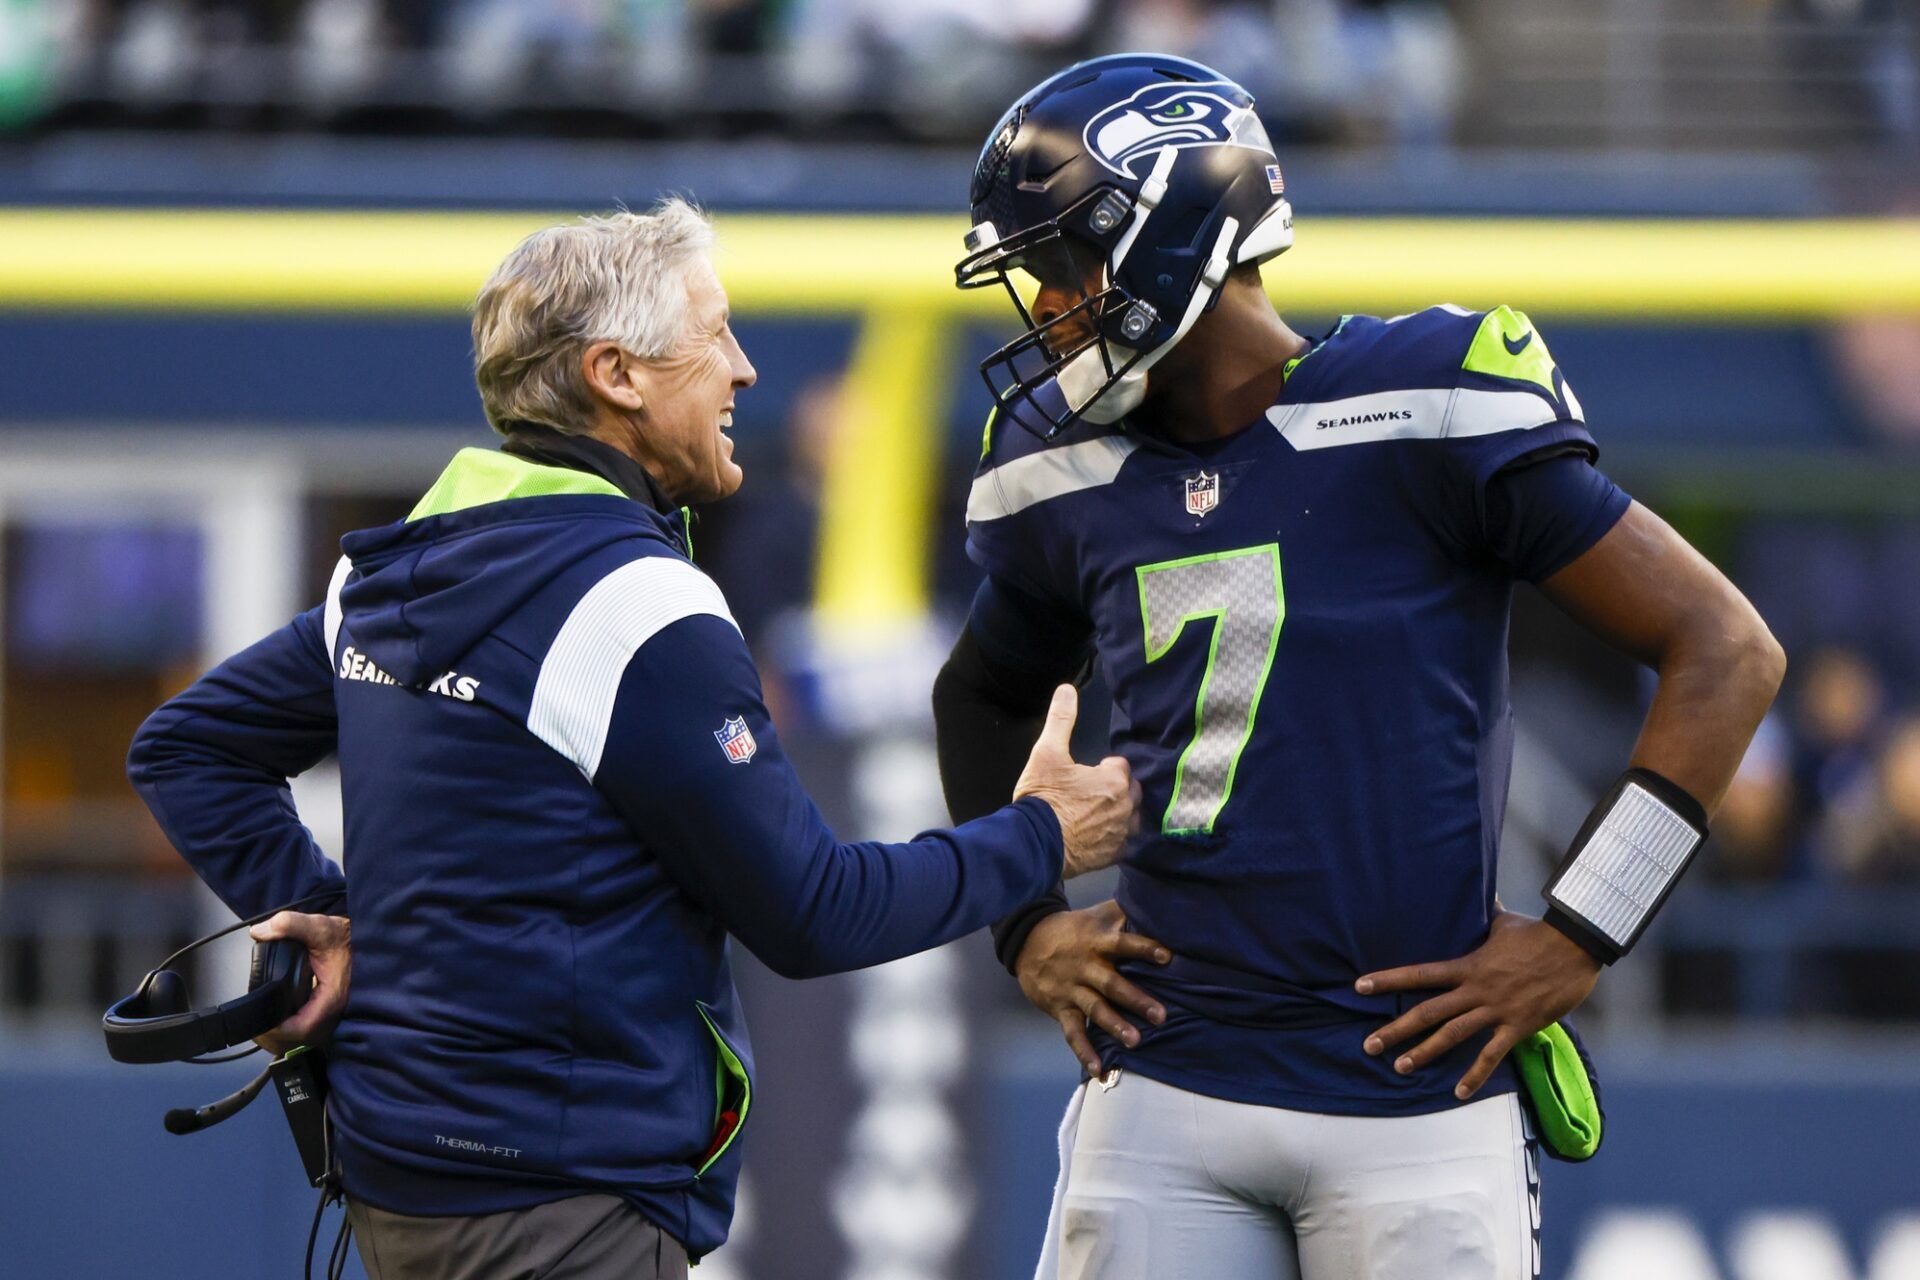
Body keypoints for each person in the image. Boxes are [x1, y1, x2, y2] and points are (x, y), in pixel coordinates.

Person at [125, 198, 1136, 1280]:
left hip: (398, 1171)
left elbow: (186, 747)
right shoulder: (631, 601)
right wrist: (1040, 837)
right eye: (714, 337)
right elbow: (813, 912)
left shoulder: (399, 565)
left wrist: (330, 913)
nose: (744, 371)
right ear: (615, 374)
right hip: (562, 1200)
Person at [933, 56, 1785, 1279]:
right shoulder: (1059, 463)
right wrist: (1020, 928)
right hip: (1167, 1080)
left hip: (1413, 1098)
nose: (1047, 310)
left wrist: (1580, 933)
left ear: (1170, 233)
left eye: (1062, 269)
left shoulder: (1426, 399)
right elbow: (981, 692)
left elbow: (1728, 650)